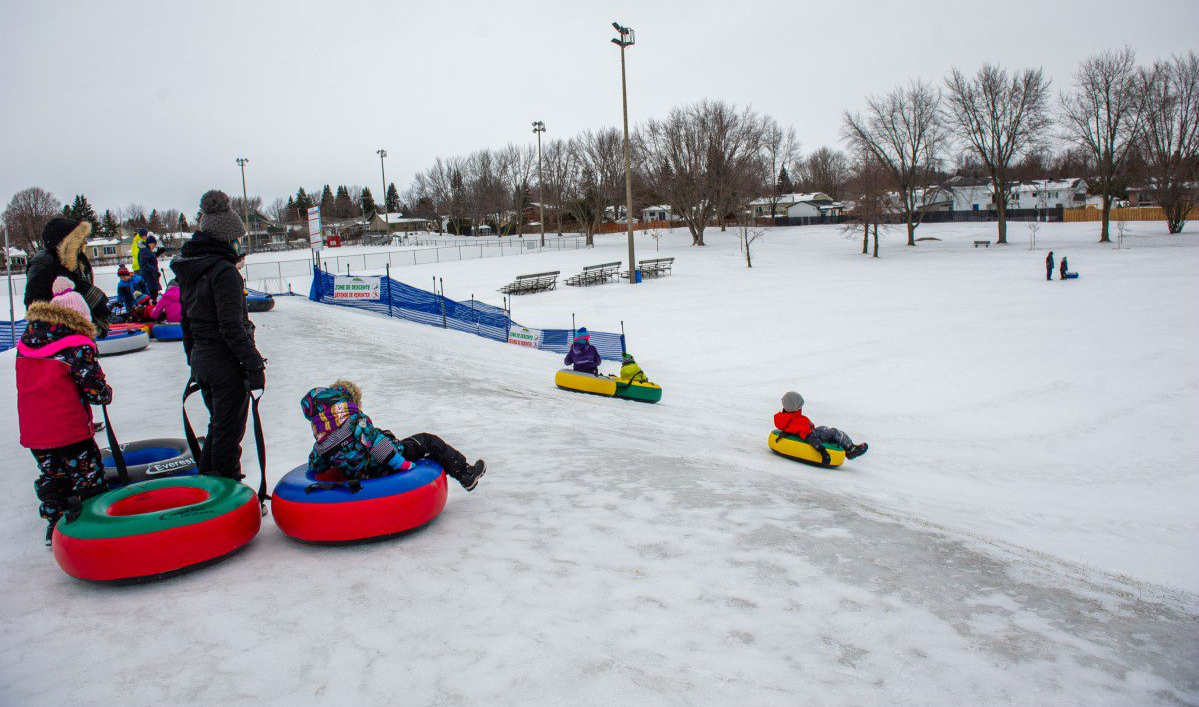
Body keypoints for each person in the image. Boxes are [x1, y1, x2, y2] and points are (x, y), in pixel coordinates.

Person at [171, 190, 266, 480]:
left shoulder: (192, 268)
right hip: (224, 363)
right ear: (227, 238)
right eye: (238, 238)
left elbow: (186, 322)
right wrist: (253, 365)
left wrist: (193, 359)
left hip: (203, 358)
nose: (240, 244)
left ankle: (208, 488)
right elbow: (231, 326)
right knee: (228, 433)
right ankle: (227, 497)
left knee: (218, 426)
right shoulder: (223, 272)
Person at [16, 277, 113, 545]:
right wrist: (104, 394)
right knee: (86, 475)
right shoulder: (75, 345)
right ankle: (93, 525)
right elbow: (92, 386)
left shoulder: (28, 342)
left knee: (53, 475)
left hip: (35, 428)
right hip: (69, 427)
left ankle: (55, 526)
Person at [302, 380, 486, 490]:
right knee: (429, 442)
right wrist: (404, 466)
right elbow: (377, 444)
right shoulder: (356, 423)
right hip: (383, 465)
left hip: (361, 474)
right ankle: (465, 474)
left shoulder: (321, 443)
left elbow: (315, 466)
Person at [24, 217, 110, 338]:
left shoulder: (74, 261)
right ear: (66, 241)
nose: (84, 242)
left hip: (76, 330)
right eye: (79, 238)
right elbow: (33, 304)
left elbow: (80, 290)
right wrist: (68, 320)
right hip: (55, 334)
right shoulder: (43, 262)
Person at [773, 391, 868, 466]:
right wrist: (823, 452)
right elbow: (809, 436)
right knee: (834, 432)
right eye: (800, 406)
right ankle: (851, 450)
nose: (802, 408)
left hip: (811, 432)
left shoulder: (786, 418)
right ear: (795, 407)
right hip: (813, 435)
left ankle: (846, 448)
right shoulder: (797, 421)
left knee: (824, 429)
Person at [138, 234, 162, 301]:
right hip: (149, 278)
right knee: (152, 295)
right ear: (151, 243)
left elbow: (150, 258)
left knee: (154, 294)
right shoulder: (144, 251)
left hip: (151, 277)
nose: (154, 246)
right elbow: (144, 263)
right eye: (154, 244)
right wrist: (154, 271)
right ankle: (152, 309)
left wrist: (157, 253)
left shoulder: (147, 251)